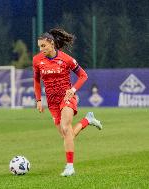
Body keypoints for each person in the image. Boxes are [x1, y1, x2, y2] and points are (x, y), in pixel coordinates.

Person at [33, 28, 103, 177]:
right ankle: (87, 120)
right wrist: (38, 100)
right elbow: (36, 81)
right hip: (52, 102)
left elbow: (83, 76)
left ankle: (70, 167)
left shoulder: (66, 59)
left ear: (51, 43)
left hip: (66, 98)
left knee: (66, 127)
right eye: (39, 46)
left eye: (43, 46)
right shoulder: (37, 60)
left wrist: (73, 90)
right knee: (66, 135)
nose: (41, 49)